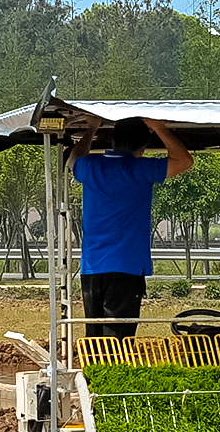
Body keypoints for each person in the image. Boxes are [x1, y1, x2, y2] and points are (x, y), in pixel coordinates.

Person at [67, 122, 192, 342]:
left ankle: (93, 374)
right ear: (142, 148)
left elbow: (73, 159)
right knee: (119, 338)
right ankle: (114, 375)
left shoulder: (91, 167)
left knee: (94, 336)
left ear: (113, 142)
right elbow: (184, 160)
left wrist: (91, 129)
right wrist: (160, 128)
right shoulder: (141, 169)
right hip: (126, 267)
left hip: (92, 266)